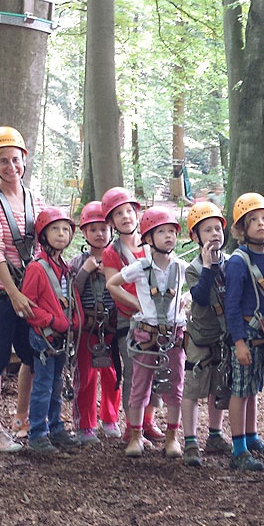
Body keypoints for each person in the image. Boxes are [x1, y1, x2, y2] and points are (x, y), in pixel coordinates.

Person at [0, 126, 46, 453]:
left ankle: (21, 416)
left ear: (24, 160)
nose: (11, 167)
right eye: (3, 161)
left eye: (15, 160)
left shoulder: (35, 198)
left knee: (31, 353)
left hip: (27, 286)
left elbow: (42, 245)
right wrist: (13, 293)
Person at [107, 206, 188, 458]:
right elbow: (112, 284)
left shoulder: (182, 267)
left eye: (171, 232)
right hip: (146, 332)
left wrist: (187, 298)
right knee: (140, 384)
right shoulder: (140, 267)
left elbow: (201, 282)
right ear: (148, 239)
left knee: (175, 384)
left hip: (173, 333)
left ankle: (172, 435)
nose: (168, 237)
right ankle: (135, 435)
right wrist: (137, 304)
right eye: (160, 232)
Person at [223, 193, 264, 472]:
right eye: (253, 221)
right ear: (241, 229)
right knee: (240, 389)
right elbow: (231, 305)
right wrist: (238, 342)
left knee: (253, 388)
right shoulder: (238, 262)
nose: (260, 224)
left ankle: (251, 436)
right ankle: (238, 448)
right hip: (246, 333)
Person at [101, 187, 166, 444]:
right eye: (119, 214)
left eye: (129, 211)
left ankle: (147, 420)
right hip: (130, 321)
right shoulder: (112, 253)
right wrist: (140, 305)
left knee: (158, 369)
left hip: (158, 320)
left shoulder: (152, 245)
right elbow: (113, 287)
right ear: (111, 222)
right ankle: (132, 427)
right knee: (135, 372)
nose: (126, 217)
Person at [19, 207, 82, 453]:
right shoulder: (37, 268)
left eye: (66, 229)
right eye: (55, 229)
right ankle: (37, 433)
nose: (61, 234)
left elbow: (71, 298)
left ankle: (55, 427)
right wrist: (54, 321)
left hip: (61, 337)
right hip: (44, 336)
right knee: (44, 385)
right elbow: (28, 305)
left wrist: (76, 321)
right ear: (43, 235)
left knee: (56, 384)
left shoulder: (64, 267)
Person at [180, 200, 232, 467]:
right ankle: (189, 440)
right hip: (200, 337)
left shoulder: (232, 262)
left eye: (217, 229)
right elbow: (199, 297)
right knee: (193, 388)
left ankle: (214, 433)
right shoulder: (193, 268)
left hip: (223, 336)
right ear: (195, 236)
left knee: (218, 386)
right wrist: (209, 267)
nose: (214, 234)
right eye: (207, 230)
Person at [69, 201, 121, 445]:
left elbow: (128, 286)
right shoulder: (77, 263)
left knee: (112, 374)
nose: (100, 234)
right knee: (86, 376)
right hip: (87, 327)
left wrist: (109, 274)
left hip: (112, 326)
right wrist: (85, 272)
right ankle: (84, 424)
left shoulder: (118, 260)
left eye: (104, 228)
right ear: (84, 233)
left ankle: (110, 419)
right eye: (93, 229)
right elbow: (72, 292)